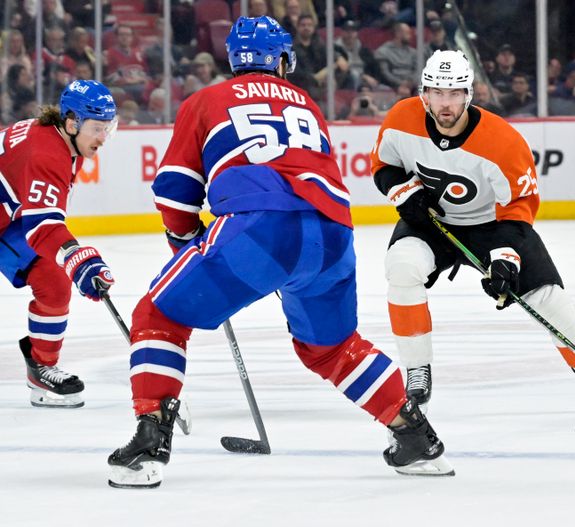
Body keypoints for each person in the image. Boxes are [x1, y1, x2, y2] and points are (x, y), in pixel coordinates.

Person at [107, 16, 453, 489]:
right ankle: (416, 439)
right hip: (333, 233)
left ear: (234, 59)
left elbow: (174, 188)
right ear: (281, 59)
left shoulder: (207, 100)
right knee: (332, 347)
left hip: (261, 227)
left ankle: (150, 442)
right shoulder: (308, 104)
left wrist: (184, 241)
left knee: (158, 313)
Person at [369, 49, 575, 413]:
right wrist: (405, 192)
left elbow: (518, 206)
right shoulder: (402, 117)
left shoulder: (503, 141)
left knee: (548, 300)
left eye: (454, 93)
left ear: (469, 94)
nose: (445, 103)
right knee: (401, 267)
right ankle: (417, 369)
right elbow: (383, 165)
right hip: (432, 221)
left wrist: (504, 257)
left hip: (493, 227)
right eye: (436, 92)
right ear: (424, 94)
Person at [0, 80, 117, 408]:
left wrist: (70, 256)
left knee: (53, 281)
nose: (103, 138)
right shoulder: (47, 151)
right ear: (71, 122)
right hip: (8, 218)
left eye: (108, 128)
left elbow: (41, 218)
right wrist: (77, 257)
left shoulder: (65, 143)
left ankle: (42, 368)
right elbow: (42, 227)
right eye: (97, 128)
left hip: (7, 219)